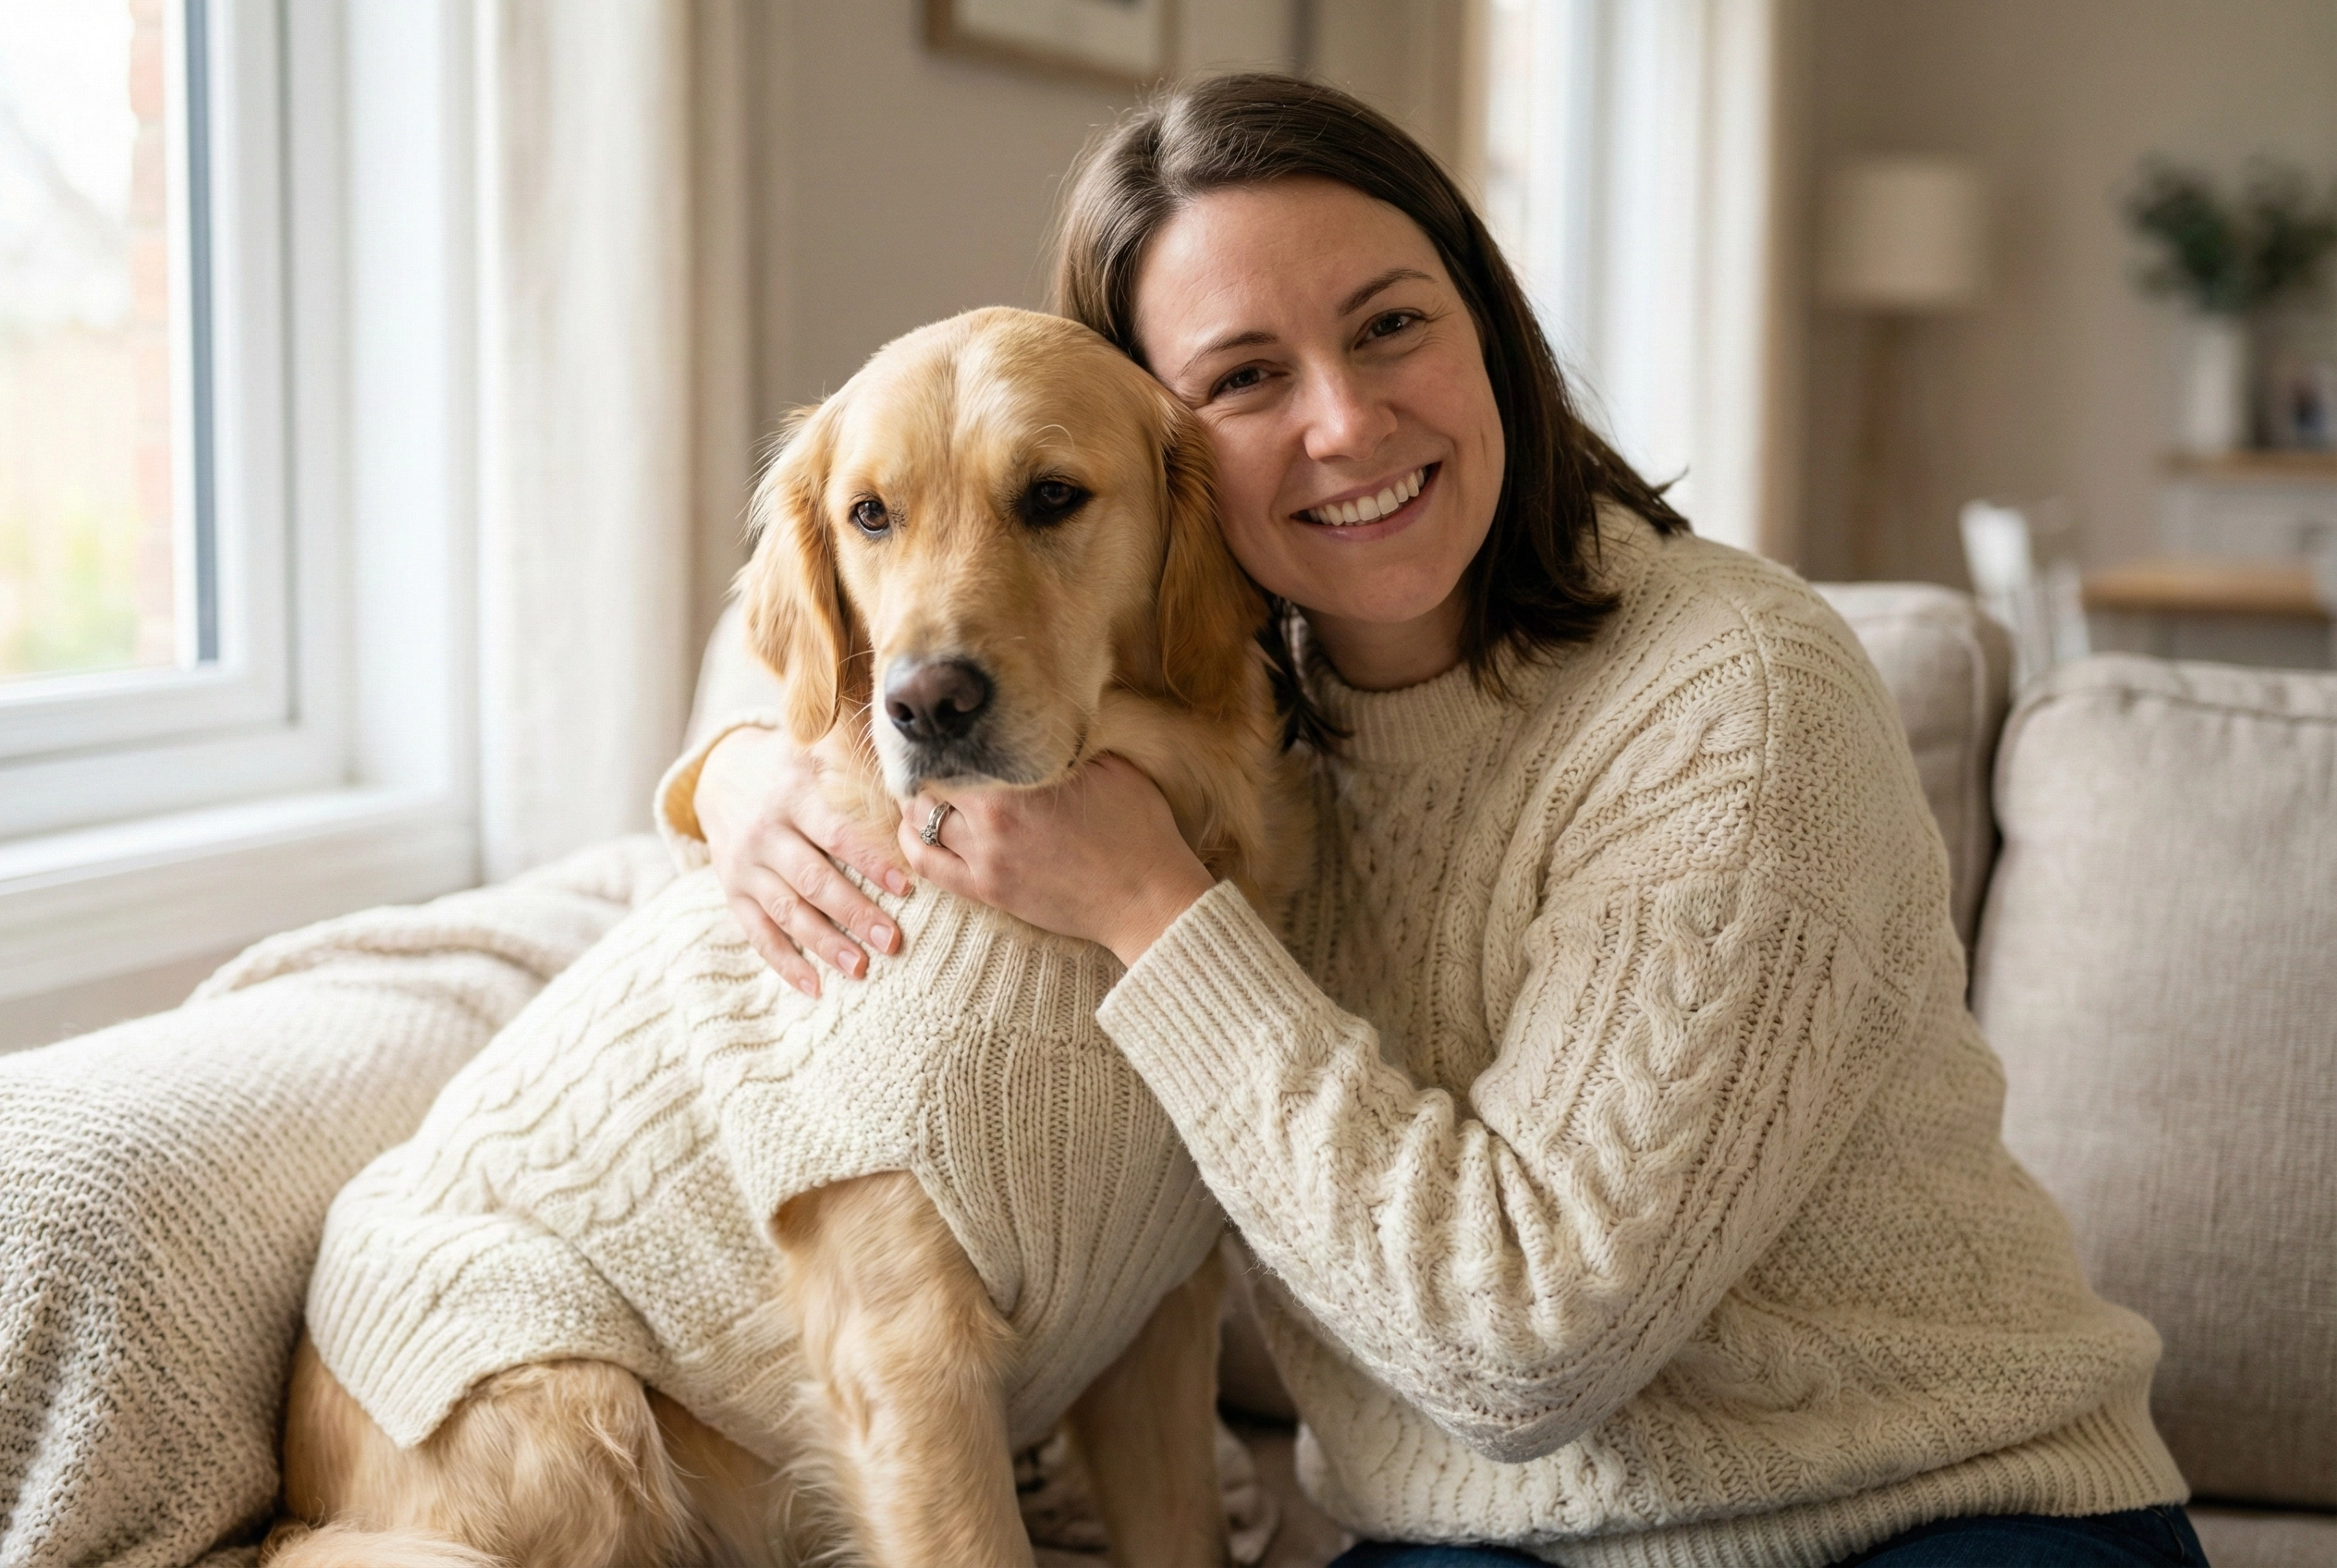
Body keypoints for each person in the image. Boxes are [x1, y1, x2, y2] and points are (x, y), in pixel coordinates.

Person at [666, 75, 2204, 1568]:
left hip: (1940, 1511)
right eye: (1249, 375)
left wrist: (1154, 916)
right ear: (1171, 461)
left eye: (1392, 325)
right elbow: (892, 572)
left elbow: (1531, 1350)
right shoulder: (1218, 714)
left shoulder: (1738, 696)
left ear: (1491, 328)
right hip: (1482, 1540)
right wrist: (729, 775)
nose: (1344, 421)